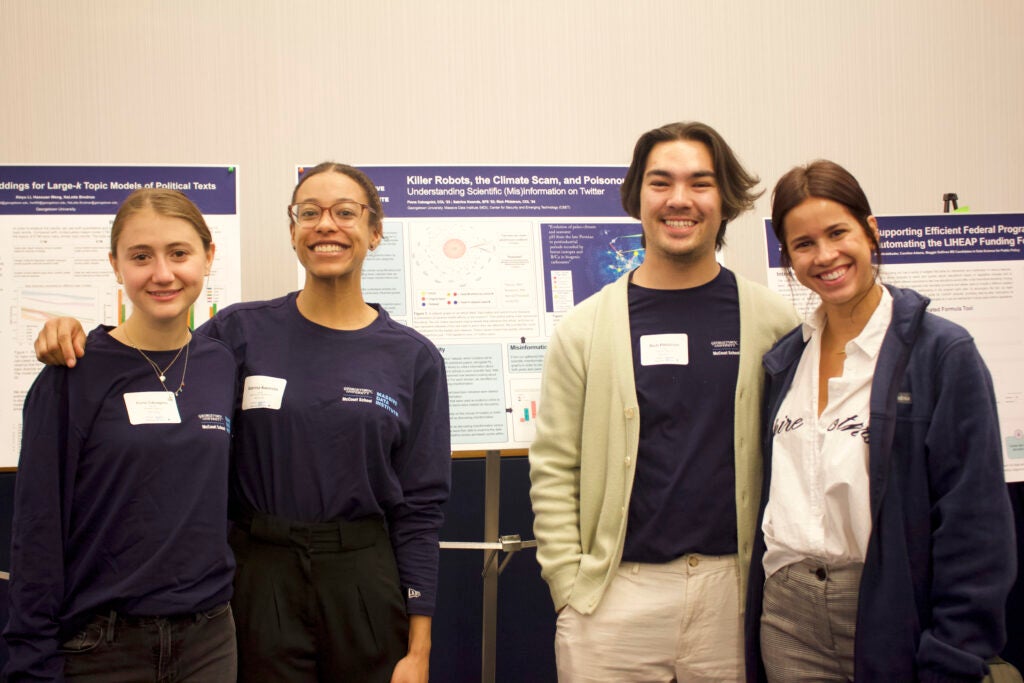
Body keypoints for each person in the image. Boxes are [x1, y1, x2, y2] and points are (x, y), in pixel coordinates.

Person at [32, 163, 452, 683]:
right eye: (309, 212)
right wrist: (74, 332)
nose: (326, 225)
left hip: (363, 574)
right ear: (292, 230)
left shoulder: (413, 357)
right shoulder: (239, 332)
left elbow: (422, 509)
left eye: (346, 212)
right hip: (258, 574)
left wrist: (419, 648)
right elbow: (155, 351)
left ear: (375, 230)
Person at [528, 121, 799, 682]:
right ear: (637, 197)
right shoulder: (586, 329)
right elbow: (554, 464)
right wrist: (567, 586)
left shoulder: (772, 322)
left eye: (700, 183)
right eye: (661, 182)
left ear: (724, 199)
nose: (680, 200)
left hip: (736, 593)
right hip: (612, 598)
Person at [745, 160, 1017, 682]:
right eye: (803, 244)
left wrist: (955, 653)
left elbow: (975, 525)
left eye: (837, 232)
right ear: (787, 258)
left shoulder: (941, 353)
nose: (824, 256)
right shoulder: (785, 361)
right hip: (786, 615)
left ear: (871, 232)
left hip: (888, 611)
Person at [4, 189, 237, 681]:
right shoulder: (72, 373)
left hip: (209, 640)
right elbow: (37, 529)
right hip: (101, 646)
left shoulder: (222, 363)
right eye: (140, 257)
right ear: (115, 266)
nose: (163, 273)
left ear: (208, 257)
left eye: (179, 253)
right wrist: (30, 660)